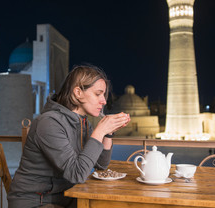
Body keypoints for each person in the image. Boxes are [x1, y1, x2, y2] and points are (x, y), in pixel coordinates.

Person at [8, 65, 130, 208]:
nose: (103, 101)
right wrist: (99, 131)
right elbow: (76, 174)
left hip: (66, 196)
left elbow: (101, 165)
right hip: (36, 202)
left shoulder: (82, 122)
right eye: (98, 94)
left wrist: (108, 132)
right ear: (78, 92)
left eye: (104, 95)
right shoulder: (49, 123)